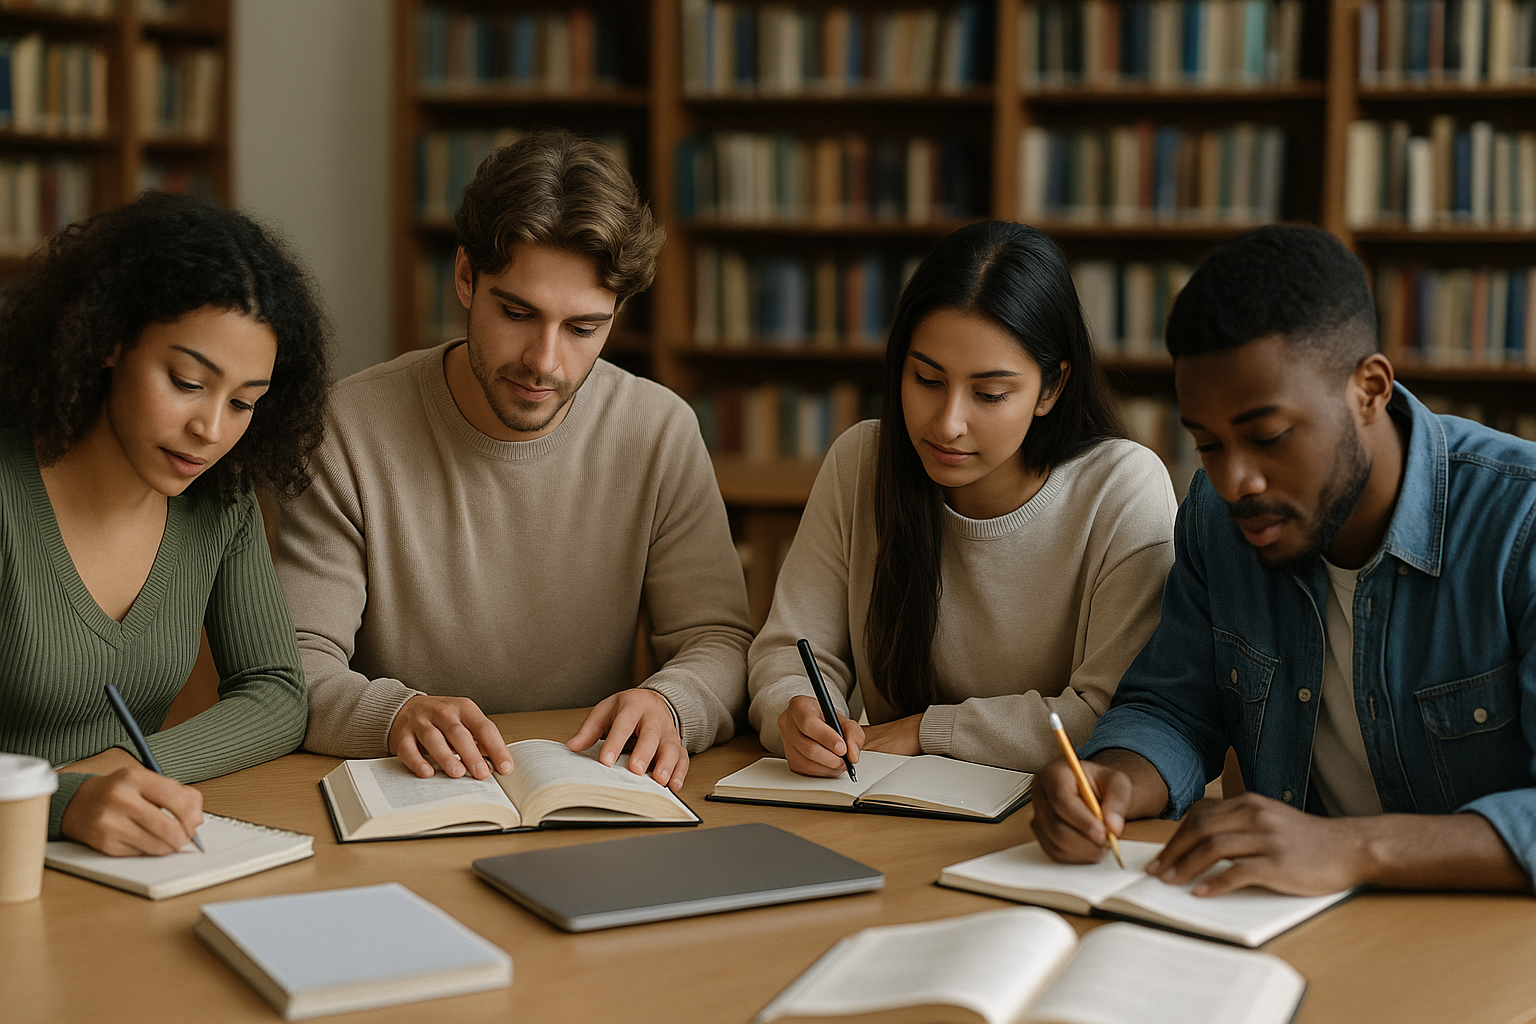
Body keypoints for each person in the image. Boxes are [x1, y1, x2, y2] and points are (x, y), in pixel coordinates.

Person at [1031, 224, 1536, 895]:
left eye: (1267, 437)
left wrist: (1352, 848)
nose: (1236, 480)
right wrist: (1115, 778)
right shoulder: (1217, 516)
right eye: (1207, 444)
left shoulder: (1520, 526)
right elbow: (1176, 707)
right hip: (1292, 931)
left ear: (1370, 389)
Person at [275, 128, 752, 792]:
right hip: (411, 789)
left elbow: (719, 640)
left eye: (584, 328)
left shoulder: (658, 429)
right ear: (467, 277)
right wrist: (394, 716)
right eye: (519, 312)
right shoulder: (346, 431)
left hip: (587, 790)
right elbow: (296, 666)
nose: (544, 361)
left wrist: (672, 704)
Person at [748, 221, 1178, 775]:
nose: (948, 423)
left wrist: (927, 732)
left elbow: (1112, 716)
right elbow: (787, 651)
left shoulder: (1120, 488)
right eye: (926, 380)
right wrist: (797, 712)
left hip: (1044, 823)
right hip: (880, 806)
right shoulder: (862, 462)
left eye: (989, 394)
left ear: (1052, 387)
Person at [0, 192, 329, 855]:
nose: (210, 430)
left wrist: (125, 770)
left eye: (243, 403)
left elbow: (276, 694)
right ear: (109, 340)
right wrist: (62, 800)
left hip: (120, 862)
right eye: (186, 382)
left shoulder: (219, 499)